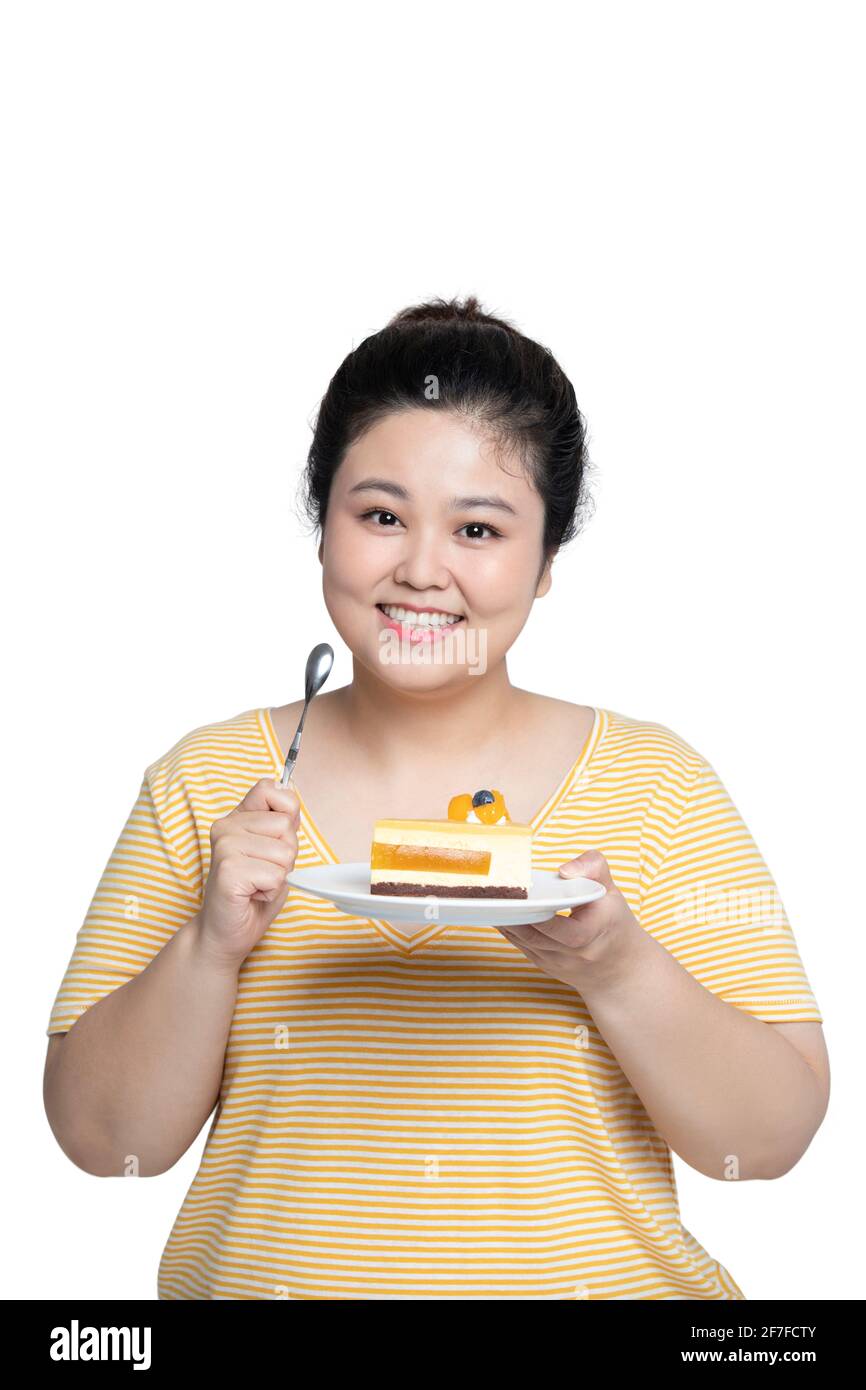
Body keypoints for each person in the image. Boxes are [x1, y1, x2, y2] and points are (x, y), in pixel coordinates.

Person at [44, 295, 829, 1300]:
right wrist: (208, 947)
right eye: (380, 516)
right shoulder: (205, 781)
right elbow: (105, 1143)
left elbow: (762, 1146)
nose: (421, 570)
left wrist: (618, 968)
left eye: (477, 528)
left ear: (545, 563)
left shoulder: (658, 784)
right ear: (321, 525)